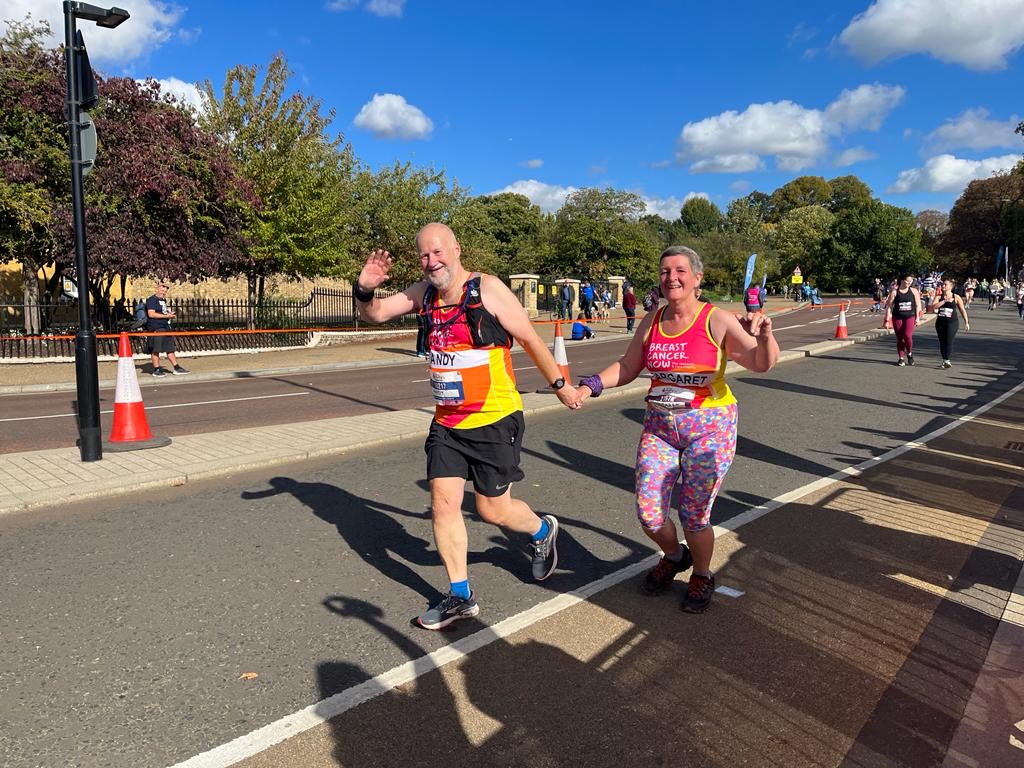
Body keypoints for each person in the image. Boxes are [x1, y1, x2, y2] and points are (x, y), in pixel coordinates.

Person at [353, 223, 578, 630]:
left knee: (493, 511)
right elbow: (375, 313)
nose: (431, 261)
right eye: (423, 255)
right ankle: (460, 595)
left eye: (438, 252)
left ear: (456, 249)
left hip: (494, 419)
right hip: (448, 424)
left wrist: (561, 386)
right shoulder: (424, 295)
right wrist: (365, 287)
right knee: (442, 503)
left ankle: (542, 530)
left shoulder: (487, 290)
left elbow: (528, 338)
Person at [569, 245, 779, 614]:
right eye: (665, 271)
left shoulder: (716, 320)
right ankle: (674, 554)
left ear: (697, 279)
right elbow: (629, 365)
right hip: (660, 428)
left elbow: (761, 363)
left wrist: (764, 336)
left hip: (709, 430)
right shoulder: (653, 319)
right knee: (649, 512)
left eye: (681, 271)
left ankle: (701, 573)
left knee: (694, 514)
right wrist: (590, 386)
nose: (672, 278)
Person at [144, 281, 189, 377]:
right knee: (156, 349)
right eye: (161, 290)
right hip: (156, 328)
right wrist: (166, 316)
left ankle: (176, 367)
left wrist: (169, 314)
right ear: (157, 288)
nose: (163, 293)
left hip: (165, 327)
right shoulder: (152, 300)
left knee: (170, 349)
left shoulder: (163, 301)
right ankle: (156, 369)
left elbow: (164, 312)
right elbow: (151, 314)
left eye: (165, 292)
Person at [928, 279, 969, 369]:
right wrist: (944, 301)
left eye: (945, 285)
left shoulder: (956, 297)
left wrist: (966, 322)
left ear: (951, 287)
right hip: (940, 323)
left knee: (948, 341)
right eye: (943, 284)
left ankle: (947, 360)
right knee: (942, 342)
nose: (943, 286)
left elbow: (962, 310)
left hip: (952, 323)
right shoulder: (939, 297)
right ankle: (944, 360)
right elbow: (932, 308)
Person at [884, 273, 923, 366]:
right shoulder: (894, 292)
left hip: (910, 316)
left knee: (907, 335)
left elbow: (918, 305)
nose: (909, 283)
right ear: (901, 280)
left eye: (911, 281)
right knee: (900, 338)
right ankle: (901, 358)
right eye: (907, 281)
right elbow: (889, 307)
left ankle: (909, 353)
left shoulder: (914, 291)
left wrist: (918, 317)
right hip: (897, 316)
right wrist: (887, 320)